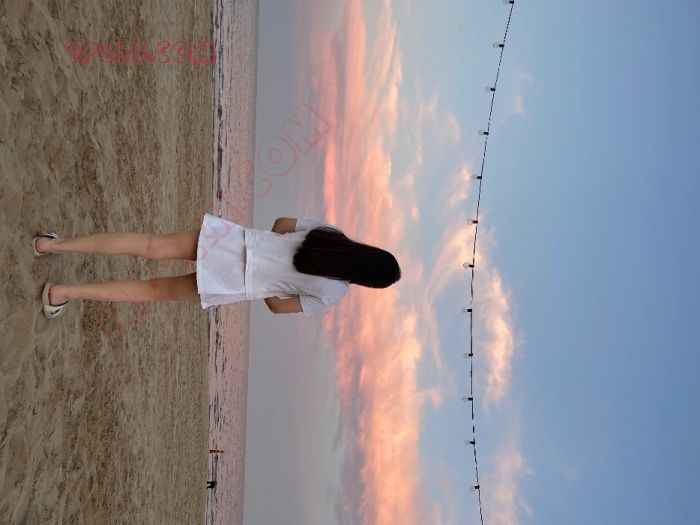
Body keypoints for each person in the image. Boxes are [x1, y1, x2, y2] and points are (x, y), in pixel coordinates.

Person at [33, 214, 401, 319]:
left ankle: (51, 245)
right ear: (368, 281)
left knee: (149, 245)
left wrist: (268, 250)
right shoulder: (334, 293)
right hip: (235, 280)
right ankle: (63, 292)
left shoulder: (333, 235)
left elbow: (282, 223)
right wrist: (268, 281)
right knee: (151, 291)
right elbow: (277, 306)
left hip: (235, 242)